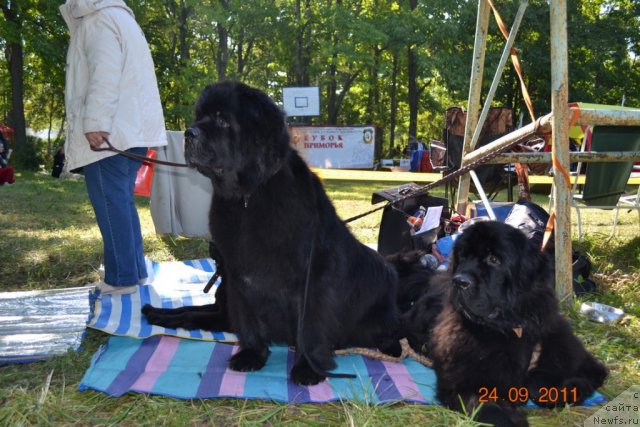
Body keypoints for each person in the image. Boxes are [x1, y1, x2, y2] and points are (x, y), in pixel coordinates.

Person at [60, 0, 167, 294]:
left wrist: (95, 121)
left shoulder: (98, 20)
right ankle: (135, 272)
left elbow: (104, 74)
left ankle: (121, 280)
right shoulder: (120, 18)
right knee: (121, 202)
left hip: (112, 133)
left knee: (111, 204)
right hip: (131, 131)